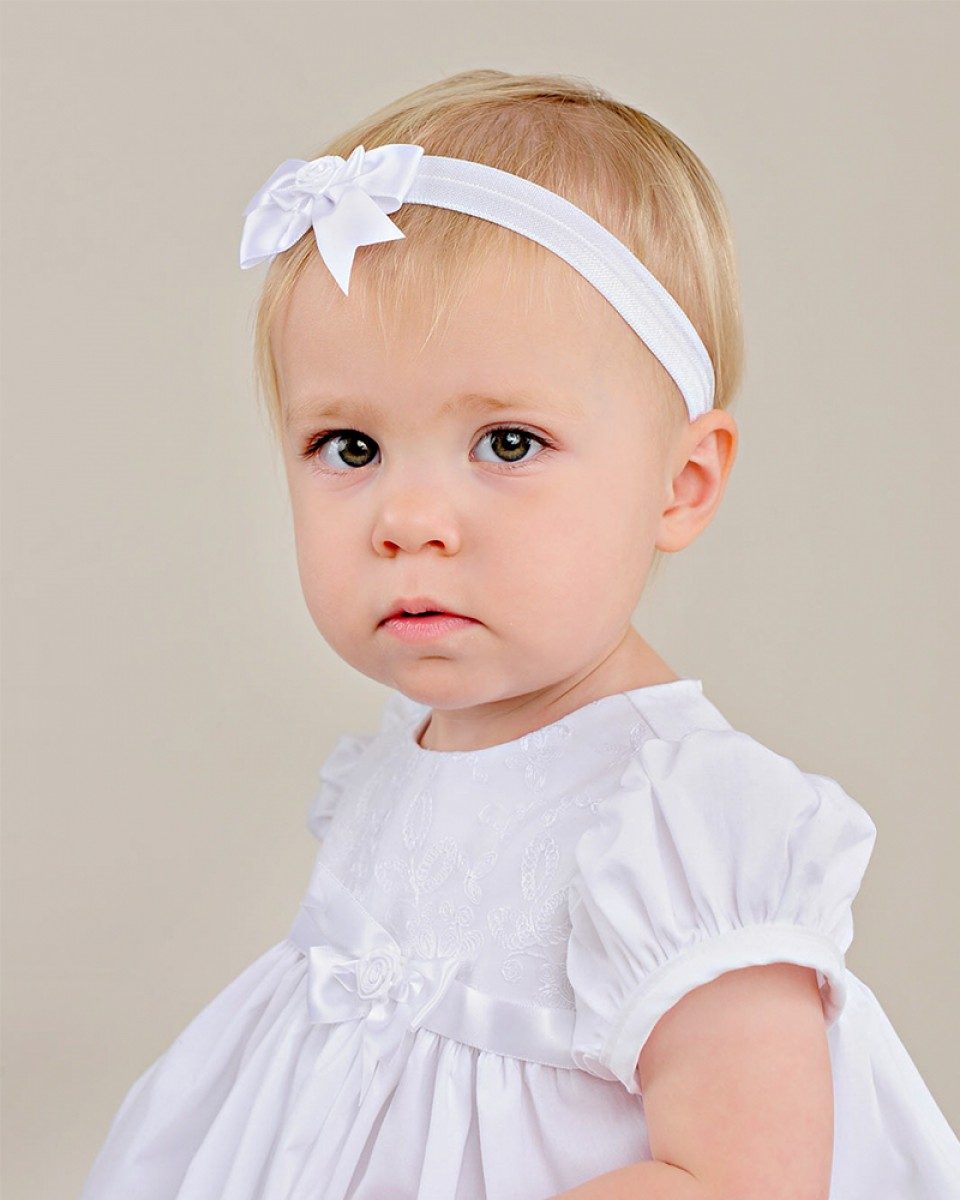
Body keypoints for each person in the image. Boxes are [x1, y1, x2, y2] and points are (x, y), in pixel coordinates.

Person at [80, 69, 960, 1200]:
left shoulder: (685, 824)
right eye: (350, 448)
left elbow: (739, 1180)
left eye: (507, 444)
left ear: (682, 483)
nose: (408, 519)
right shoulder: (404, 754)